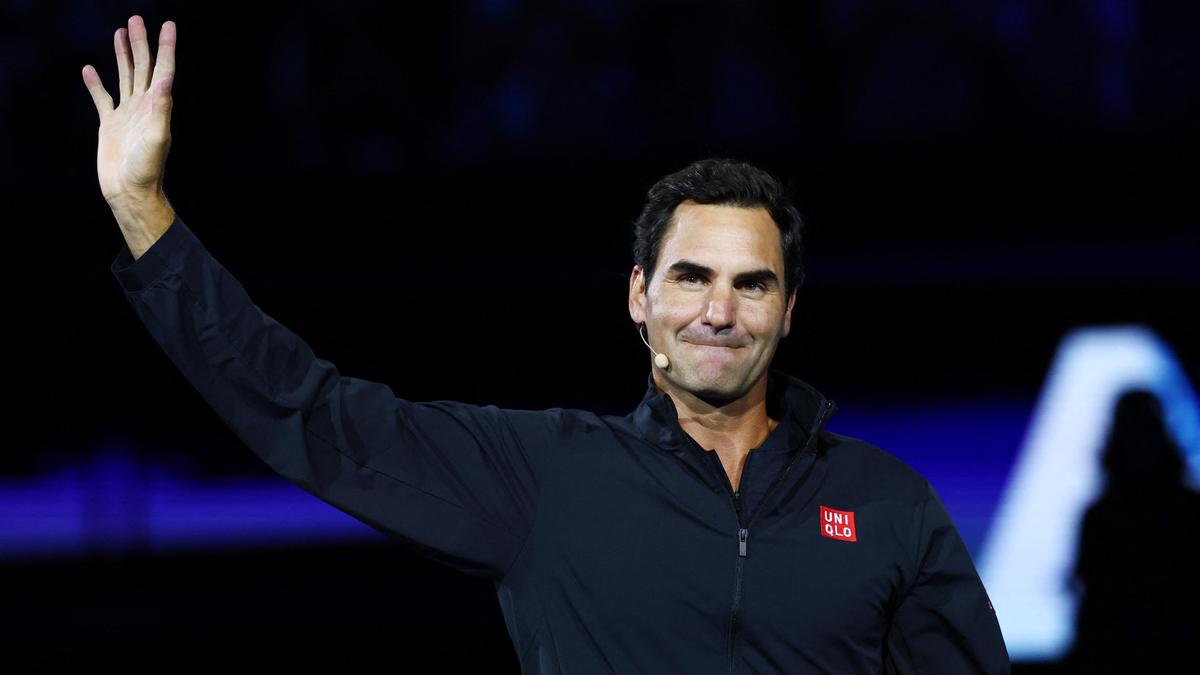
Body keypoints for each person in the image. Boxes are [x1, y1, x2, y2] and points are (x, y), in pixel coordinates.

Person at [83, 15, 1010, 674]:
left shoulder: (889, 505)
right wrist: (142, 210)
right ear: (640, 298)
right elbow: (309, 413)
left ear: (789, 308)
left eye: (751, 283)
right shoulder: (543, 476)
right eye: (691, 277)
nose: (719, 309)